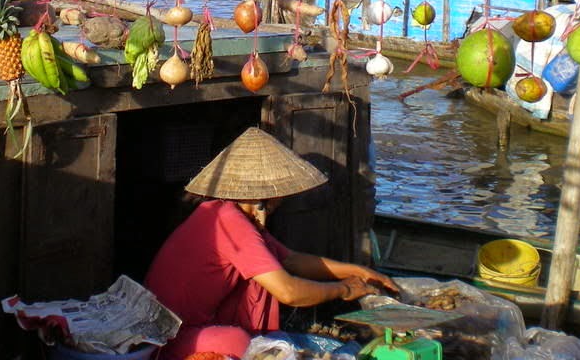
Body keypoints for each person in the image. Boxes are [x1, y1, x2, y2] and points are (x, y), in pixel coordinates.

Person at [145, 128, 399, 360]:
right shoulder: (230, 222)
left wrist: (359, 272)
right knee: (241, 341)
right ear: (266, 196)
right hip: (171, 339)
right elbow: (289, 291)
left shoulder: (224, 211)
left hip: (180, 326)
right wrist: (343, 290)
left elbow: (291, 260)